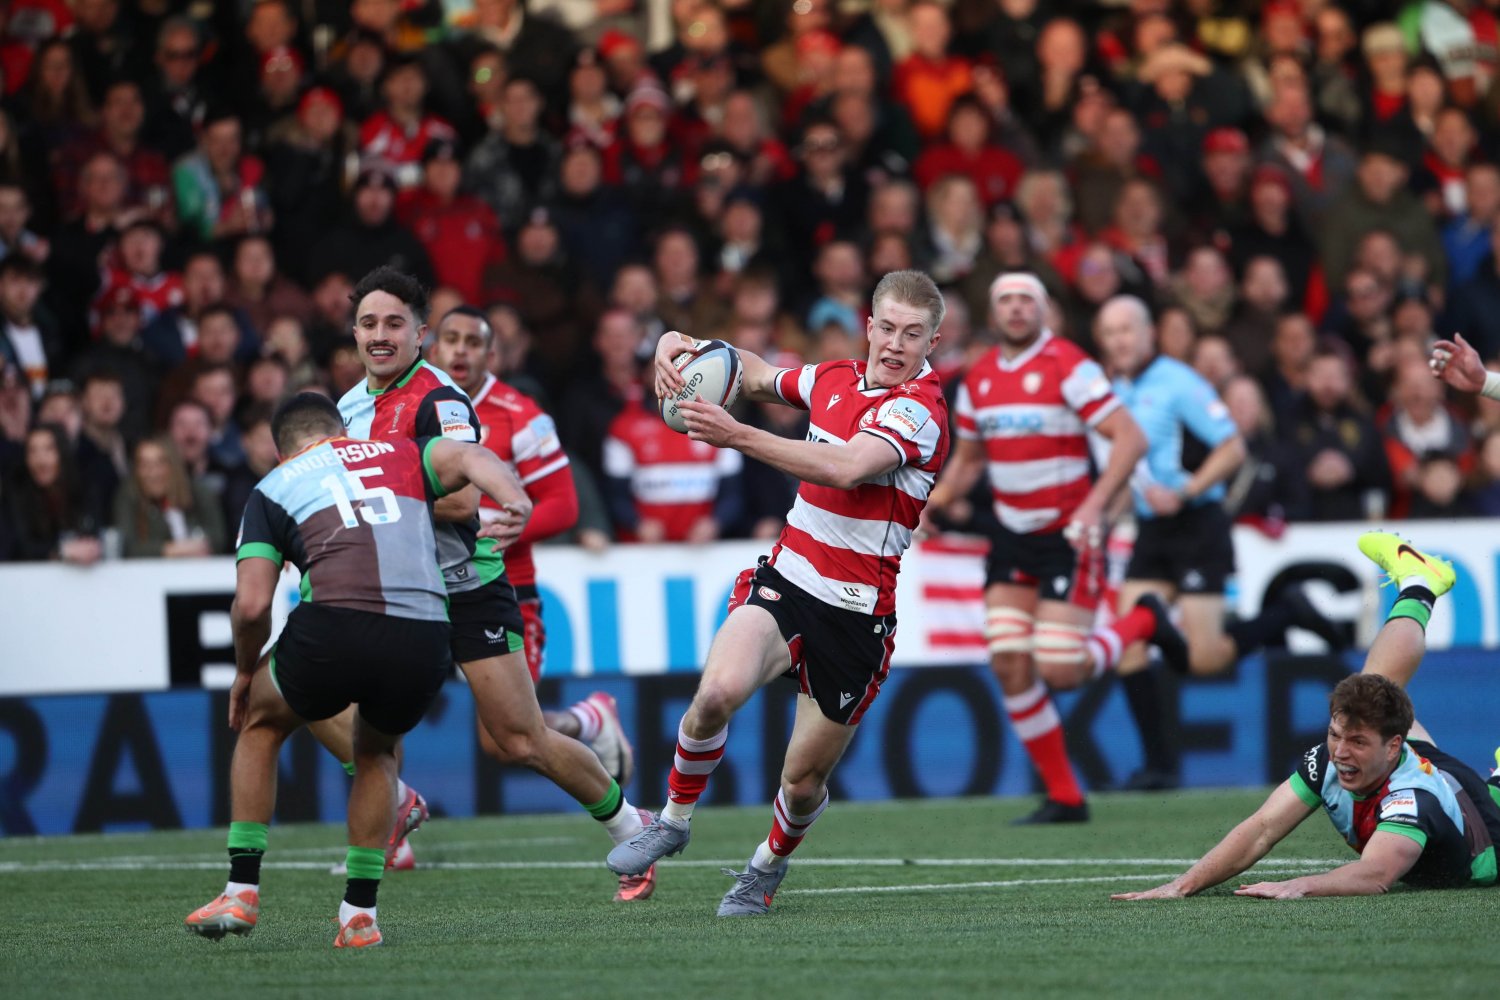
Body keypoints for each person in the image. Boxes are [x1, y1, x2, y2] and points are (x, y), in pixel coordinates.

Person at [607, 270, 951, 917]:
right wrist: (682, 345)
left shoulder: (919, 411)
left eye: (913, 334)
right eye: (887, 328)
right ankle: (672, 821)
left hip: (855, 615)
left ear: (933, 342)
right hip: (787, 580)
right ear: (868, 326)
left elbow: (846, 466)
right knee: (715, 695)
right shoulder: (833, 378)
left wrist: (735, 434)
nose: (896, 344)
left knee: (801, 782)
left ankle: (766, 867)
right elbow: (755, 372)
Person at [308, 267, 653, 899]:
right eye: (368, 323)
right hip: (397, 591)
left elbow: (464, 502)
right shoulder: (348, 408)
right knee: (316, 694)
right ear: (353, 333)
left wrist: (367, 501)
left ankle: (633, 829)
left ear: (420, 334)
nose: (380, 335)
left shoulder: (440, 400)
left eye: (394, 324)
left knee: (519, 739)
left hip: (466, 587)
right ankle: (396, 813)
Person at [182, 391, 534, 947]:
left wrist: (245, 673)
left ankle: (241, 890)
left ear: (281, 452)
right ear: (343, 431)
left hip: (335, 626)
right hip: (427, 635)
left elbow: (250, 607)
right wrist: (515, 500)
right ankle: (359, 915)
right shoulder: (402, 452)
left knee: (262, 721)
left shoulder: (273, 487)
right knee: (376, 753)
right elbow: (472, 456)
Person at [1113, 532, 1499, 900]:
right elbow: (1262, 829)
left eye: (1357, 741)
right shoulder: (1335, 758)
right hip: (1443, 782)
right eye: (1335, 735)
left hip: (1487, 834)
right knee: (1375, 688)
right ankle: (1418, 585)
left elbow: (1375, 875)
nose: (1341, 752)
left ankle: (1420, 584)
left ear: (1394, 746)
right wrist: (1181, 886)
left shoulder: (1411, 799)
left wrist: (1299, 885)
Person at [921, 272, 1174, 824]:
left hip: (1067, 534)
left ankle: (1144, 620)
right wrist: (933, 503)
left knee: (1061, 672)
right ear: (994, 312)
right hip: (1012, 536)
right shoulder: (979, 378)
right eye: (1005, 300)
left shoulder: (1069, 365)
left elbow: (1130, 438)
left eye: (1025, 300)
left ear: (1043, 310)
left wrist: (1094, 506)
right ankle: (1066, 796)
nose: (1015, 309)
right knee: (1009, 663)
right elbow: (969, 460)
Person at [1096, 295, 1344, 790]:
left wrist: (1186, 491)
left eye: (1126, 330)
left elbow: (1232, 448)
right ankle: (1159, 767)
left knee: (1204, 659)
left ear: (1149, 334)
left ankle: (1286, 613)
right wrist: (1104, 514)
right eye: (1109, 332)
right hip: (1151, 529)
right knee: (1127, 644)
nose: (1118, 340)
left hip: (1197, 525)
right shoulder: (1117, 388)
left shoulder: (1179, 382)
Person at [425, 305, 637, 789]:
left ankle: (588, 720)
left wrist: (501, 535)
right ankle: (392, 819)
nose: (461, 350)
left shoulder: (520, 415)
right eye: (451, 339)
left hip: (501, 588)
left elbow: (564, 505)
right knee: (379, 701)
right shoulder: (412, 407)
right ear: (433, 350)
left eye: (473, 342)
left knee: (504, 742)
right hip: (423, 586)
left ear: (492, 355)